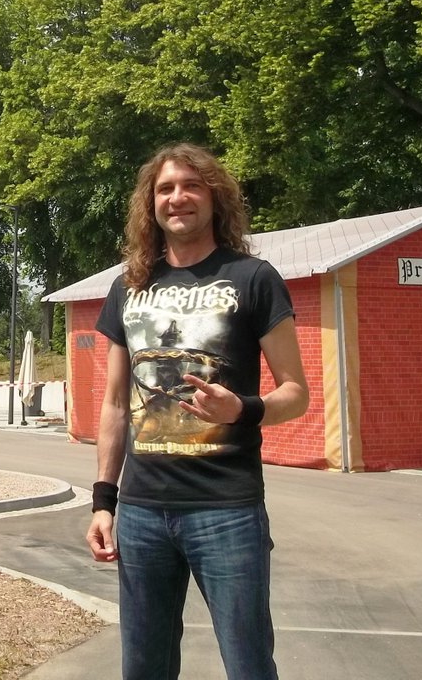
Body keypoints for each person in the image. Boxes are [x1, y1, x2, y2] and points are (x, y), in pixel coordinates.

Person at [86, 142, 309, 679]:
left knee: (249, 665)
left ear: (215, 197)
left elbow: (295, 392)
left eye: (191, 186)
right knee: (143, 668)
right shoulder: (128, 287)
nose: (177, 197)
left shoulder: (253, 279)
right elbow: (116, 403)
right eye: (165, 188)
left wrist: (242, 409)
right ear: (151, 203)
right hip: (140, 513)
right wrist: (103, 502)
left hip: (226, 510)